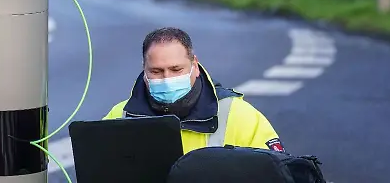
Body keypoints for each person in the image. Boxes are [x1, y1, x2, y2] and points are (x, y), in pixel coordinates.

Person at [103, 27, 285, 155]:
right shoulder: (120, 116)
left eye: (176, 70)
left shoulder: (239, 117)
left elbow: (277, 173)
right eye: (156, 71)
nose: (167, 79)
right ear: (144, 70)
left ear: (195, 66)